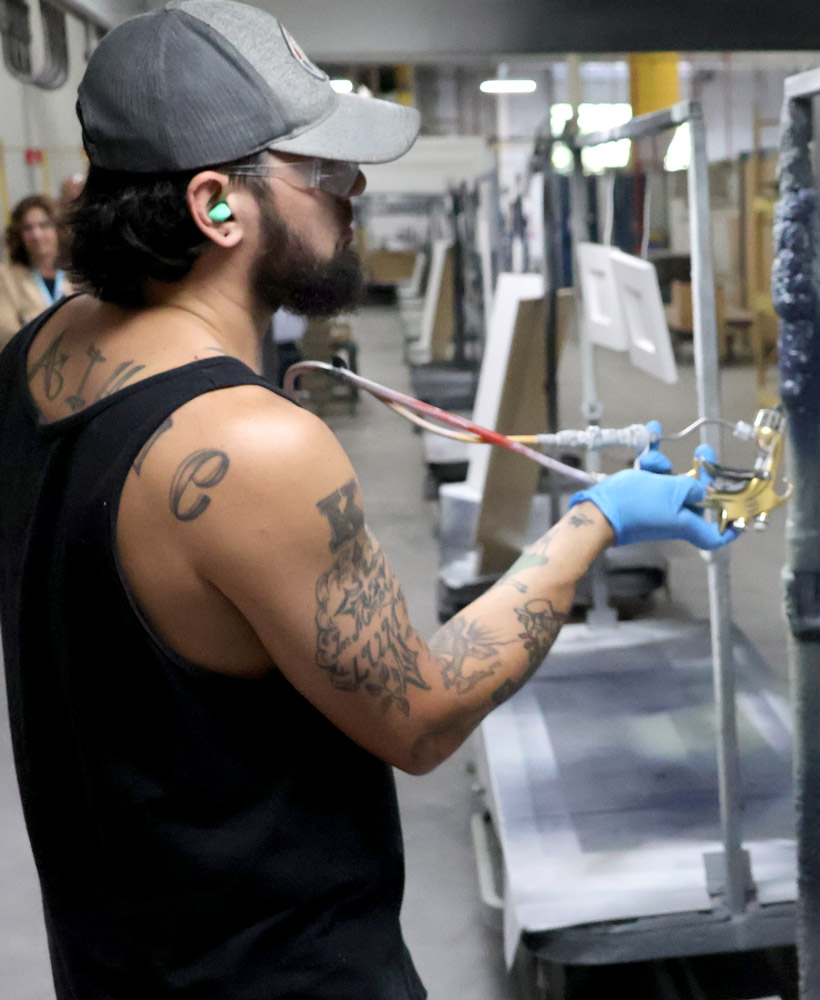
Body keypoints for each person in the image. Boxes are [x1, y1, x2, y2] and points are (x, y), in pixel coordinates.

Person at [0, 2, 737, 998]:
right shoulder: (250, 447)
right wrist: (593, 522)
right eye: (322, 174)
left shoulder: (31, 359)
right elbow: (421, 715)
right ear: (217, 206)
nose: (356, 194)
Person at [0, 194, 77, 348]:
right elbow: (7, 333)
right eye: (28, 228)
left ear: (58, 229)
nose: (36, 235)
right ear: (19, 235)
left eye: (44, 225)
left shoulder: (76, 274)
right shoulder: (6, 277)